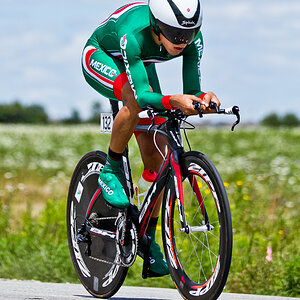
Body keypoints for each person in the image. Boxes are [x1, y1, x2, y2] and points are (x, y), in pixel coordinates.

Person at [82, 0, 220, 277]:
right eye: (175, 34)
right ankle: (110, 169)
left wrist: (202, 99)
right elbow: (144, 96)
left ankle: (146, 236)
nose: (183, 41)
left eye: (190, 34)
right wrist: (172, 100)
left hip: (141, 62)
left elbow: (191, 90)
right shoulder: (133, 35)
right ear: (157, 26)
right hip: (103, 55)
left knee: (156, 161)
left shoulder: (190, 37)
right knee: (134, 100)